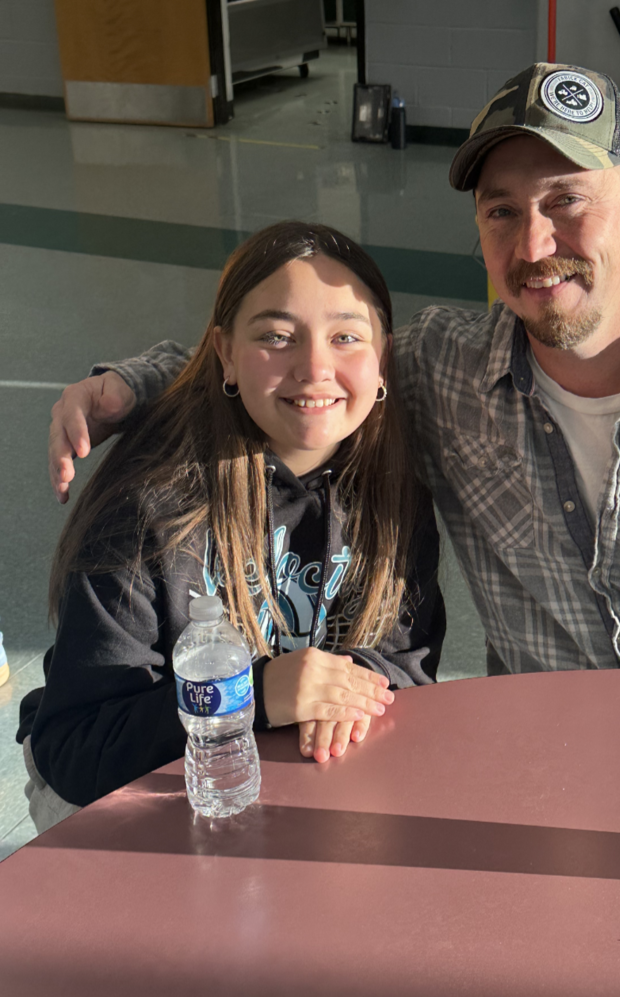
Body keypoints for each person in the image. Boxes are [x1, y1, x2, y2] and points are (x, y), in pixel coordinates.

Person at [46, 63, 620, 683]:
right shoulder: (445, 367)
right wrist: (133, 382)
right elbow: (310, 353)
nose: (533, 247)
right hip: (551, 755)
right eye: (502, 210)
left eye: (568, 202)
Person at [20, 221, 444, 825]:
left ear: (384, 360)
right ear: (225, 353)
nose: (315, 367)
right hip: (128, 788)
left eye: (347, 336)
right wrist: (253, 693)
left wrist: (347, 688)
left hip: (285, 778)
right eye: (276, 335)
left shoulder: (396, 493)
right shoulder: (151, 505)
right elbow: (77, 748)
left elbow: (406, 657)